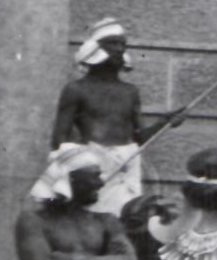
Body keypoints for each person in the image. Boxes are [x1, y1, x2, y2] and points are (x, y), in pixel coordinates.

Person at [49, 18, 182, 216]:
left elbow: (139, 138)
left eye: (122, 44)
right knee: (94, 222)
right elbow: (59, 140)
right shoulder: (76, 89)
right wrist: (80, 170)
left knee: (128, 219)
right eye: (113, 43)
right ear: (95, 48)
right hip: (93, 169)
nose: (119, 49)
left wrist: (165, 123)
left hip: (128, 166)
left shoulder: (130, 92)